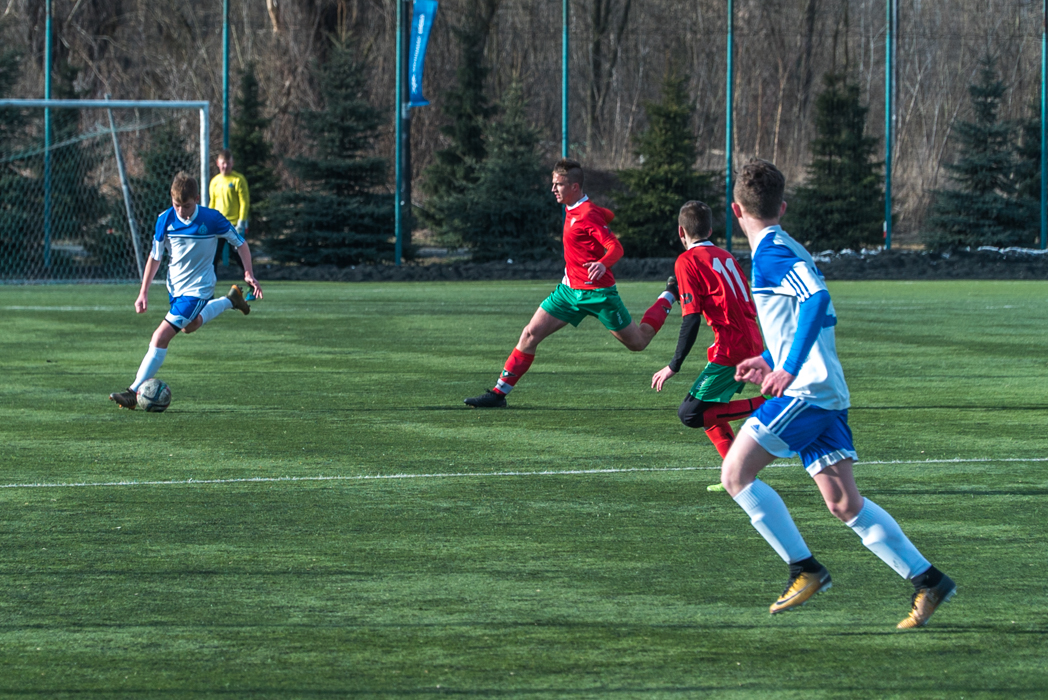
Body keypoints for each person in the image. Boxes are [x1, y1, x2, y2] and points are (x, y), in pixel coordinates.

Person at [721, 158, 955, 628]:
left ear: (735, 210)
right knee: (844, 503)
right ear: (782, 206)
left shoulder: (771, 253)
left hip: (805, 392)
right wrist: (770, 358)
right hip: (824, 390)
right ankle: (929, 580)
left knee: (736, 475)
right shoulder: (789, 247)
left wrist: (787, 368)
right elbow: (810, 316)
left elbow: (817, 301)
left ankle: (804, 569)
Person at [464, 158, 678, 408]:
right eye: (553, 183)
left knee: (639, 343)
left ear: (574, 187)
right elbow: (606, 215)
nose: (553, 189)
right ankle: (498, 394)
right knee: (529, 334)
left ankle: (669, 294)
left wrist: (602, 263)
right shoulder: (575, 208)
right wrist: (605, 215)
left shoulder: (587, 214)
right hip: (567, 292)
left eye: (558, 184)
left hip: (598, 294)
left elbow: (616, 247)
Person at [109, 172, 264, 409]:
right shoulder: (165, 219)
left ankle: (133, 391)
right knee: (190, 326)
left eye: (187, 205)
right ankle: (231, 300)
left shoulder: (212, 219)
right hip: (176, 289)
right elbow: (155, 257)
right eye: (177, 205)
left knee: (160, 337)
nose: (182, 211)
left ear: (197, 199)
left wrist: (248, 272)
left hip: (199, 289)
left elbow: (240, 244)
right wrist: (143, 292)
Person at [651, 200, 766, 466]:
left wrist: (673, 366)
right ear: (710, 230)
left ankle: (768, 402)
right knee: (709, 407)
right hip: (749, 338)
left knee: (690, 413)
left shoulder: (687, 260)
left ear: (681, 232)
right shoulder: (726, 257)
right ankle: (736, 474)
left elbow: (691, 319)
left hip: (731, 347)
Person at [209, 149, 250, 284]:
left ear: (232, 163)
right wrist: (209, 221)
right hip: (218, 225)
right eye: (223, 163)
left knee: (238, 254)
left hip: (233, 224)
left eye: (228, 163)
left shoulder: (238, 179)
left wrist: (241, 221)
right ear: (218, 163)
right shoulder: (215, 181)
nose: (225, 166)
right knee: (214, 256)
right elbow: (212, 203)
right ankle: (211, 284)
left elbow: (244, 201)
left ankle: (250, 279)